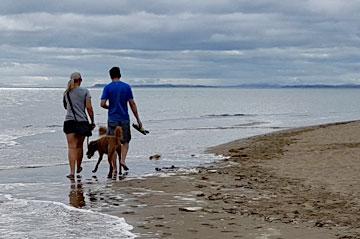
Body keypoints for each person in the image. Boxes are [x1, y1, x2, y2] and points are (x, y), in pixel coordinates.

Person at [100, 66, 142, 175]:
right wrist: (138, 119)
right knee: (126, 141)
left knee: (112, 144)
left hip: (112, 119)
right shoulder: (126, 87)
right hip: (124, 118)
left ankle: (114, 167)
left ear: (110, 76)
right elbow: (132, 103)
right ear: (120, 75)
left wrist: (110, 107)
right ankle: (122, 160)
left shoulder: (107, 88)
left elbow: (102, 104)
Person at [63, 72, 95, 179]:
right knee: (79, 146)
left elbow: (65, 107)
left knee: (71, 147)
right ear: (80, 80)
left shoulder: (66, 93)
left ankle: (72, 172)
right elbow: (89, 108)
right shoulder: (85, 91)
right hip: (82, 122)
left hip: (69, 122)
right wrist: (92, 121)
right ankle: (79, 166)